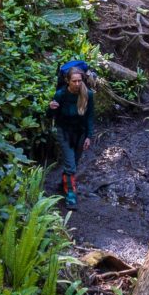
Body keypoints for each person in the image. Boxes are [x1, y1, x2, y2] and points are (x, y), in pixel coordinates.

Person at [48, 66, 94, 209]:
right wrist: (50, 108)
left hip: (80, 133)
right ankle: (70, 196)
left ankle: (65, 182)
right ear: (67, 80)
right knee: (70, 165)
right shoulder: (60, 95)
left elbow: (90, 116)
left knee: (74, 162)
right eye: (74, 81)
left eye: (79, 81)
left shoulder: (88, 95)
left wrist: (89, 136)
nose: (77, 84)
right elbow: (51, 116)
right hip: (64, 132)